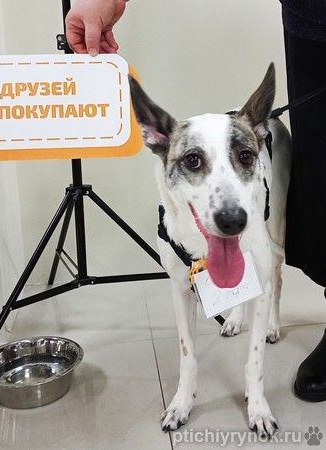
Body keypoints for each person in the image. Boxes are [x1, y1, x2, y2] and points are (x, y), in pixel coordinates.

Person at [66, 0, 326, 402]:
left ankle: (265, 331)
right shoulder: (170, 221)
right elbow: (181, 291)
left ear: (258, 139)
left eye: (245, 157)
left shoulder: (262, 142)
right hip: (314, 17)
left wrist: (255, 389)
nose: (229, 209)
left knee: (272, 246)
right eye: (192, 161)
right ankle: (189, 379)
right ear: (156, 139)